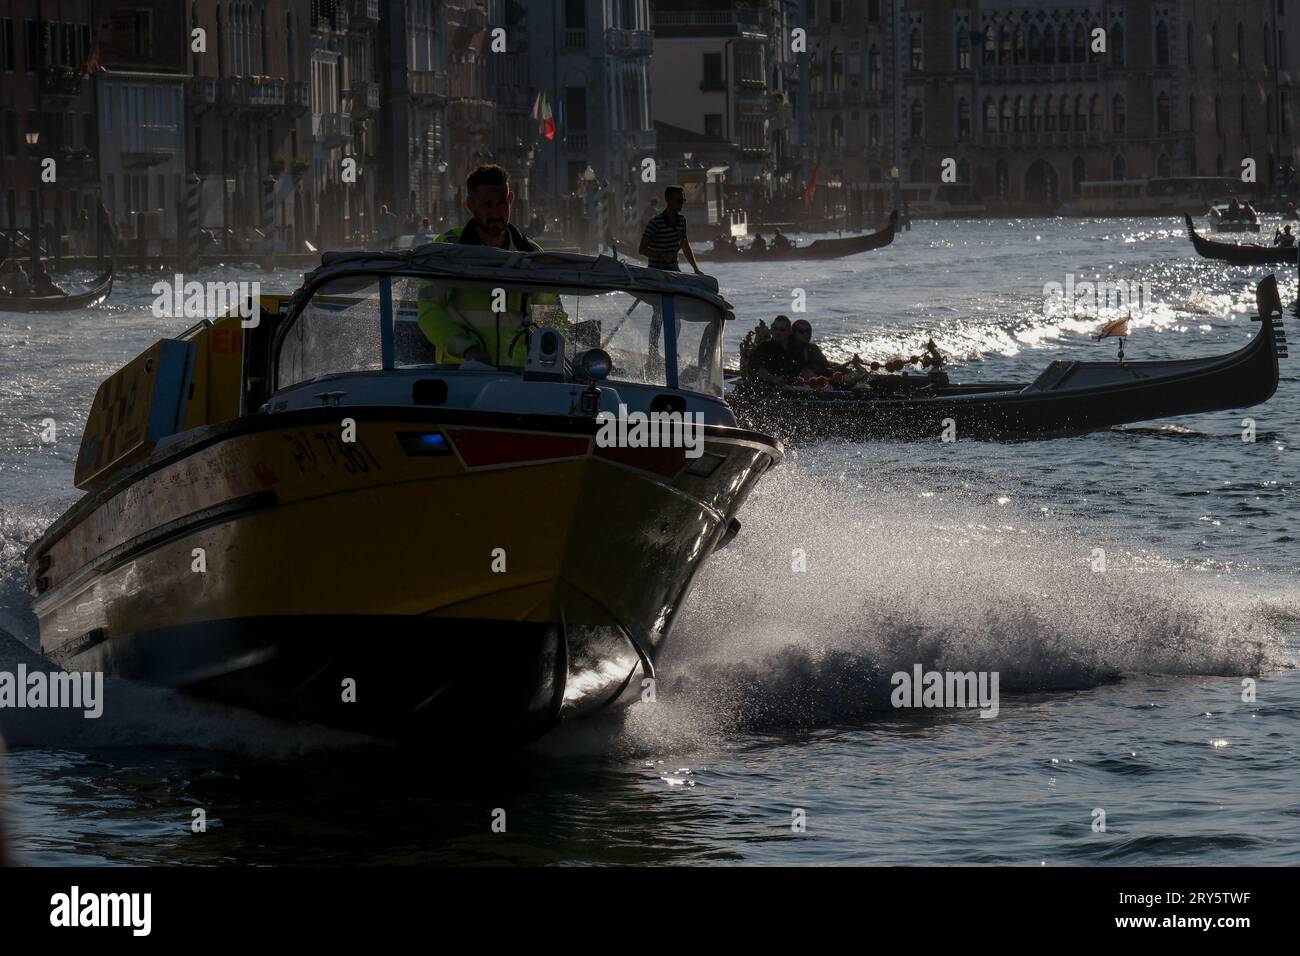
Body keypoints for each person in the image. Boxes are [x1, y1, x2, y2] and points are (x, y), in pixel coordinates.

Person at [417, 163, 560, 368]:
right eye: (487, 205)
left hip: (519, 376)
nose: (496, 212)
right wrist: (468, 350)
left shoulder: (532, 254)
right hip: (462, 373)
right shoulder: (447, 249)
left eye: (501, 203)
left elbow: (550, 316)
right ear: (470, 204)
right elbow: (429, 312)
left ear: (511, 200)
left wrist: (551, 355)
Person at [639, 185, 702, 273]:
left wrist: (696, 269)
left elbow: (685, 246)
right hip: (656, 273)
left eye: (683, 200)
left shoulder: (681, 220)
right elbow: (642, 249)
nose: (682, 204)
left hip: (674, 272)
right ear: (668, 201)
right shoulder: (655, 223)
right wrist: (662, 256)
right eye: (679, 201)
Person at [749, 314, 800, 385]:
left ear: (789, 332)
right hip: (769, 386)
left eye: (782, 330)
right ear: (771, 330)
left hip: (792, 385)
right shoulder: (765, 347)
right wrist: (772, 378)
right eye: (775, 328)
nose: (777, 332)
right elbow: (756, 367)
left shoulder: (795, 348)